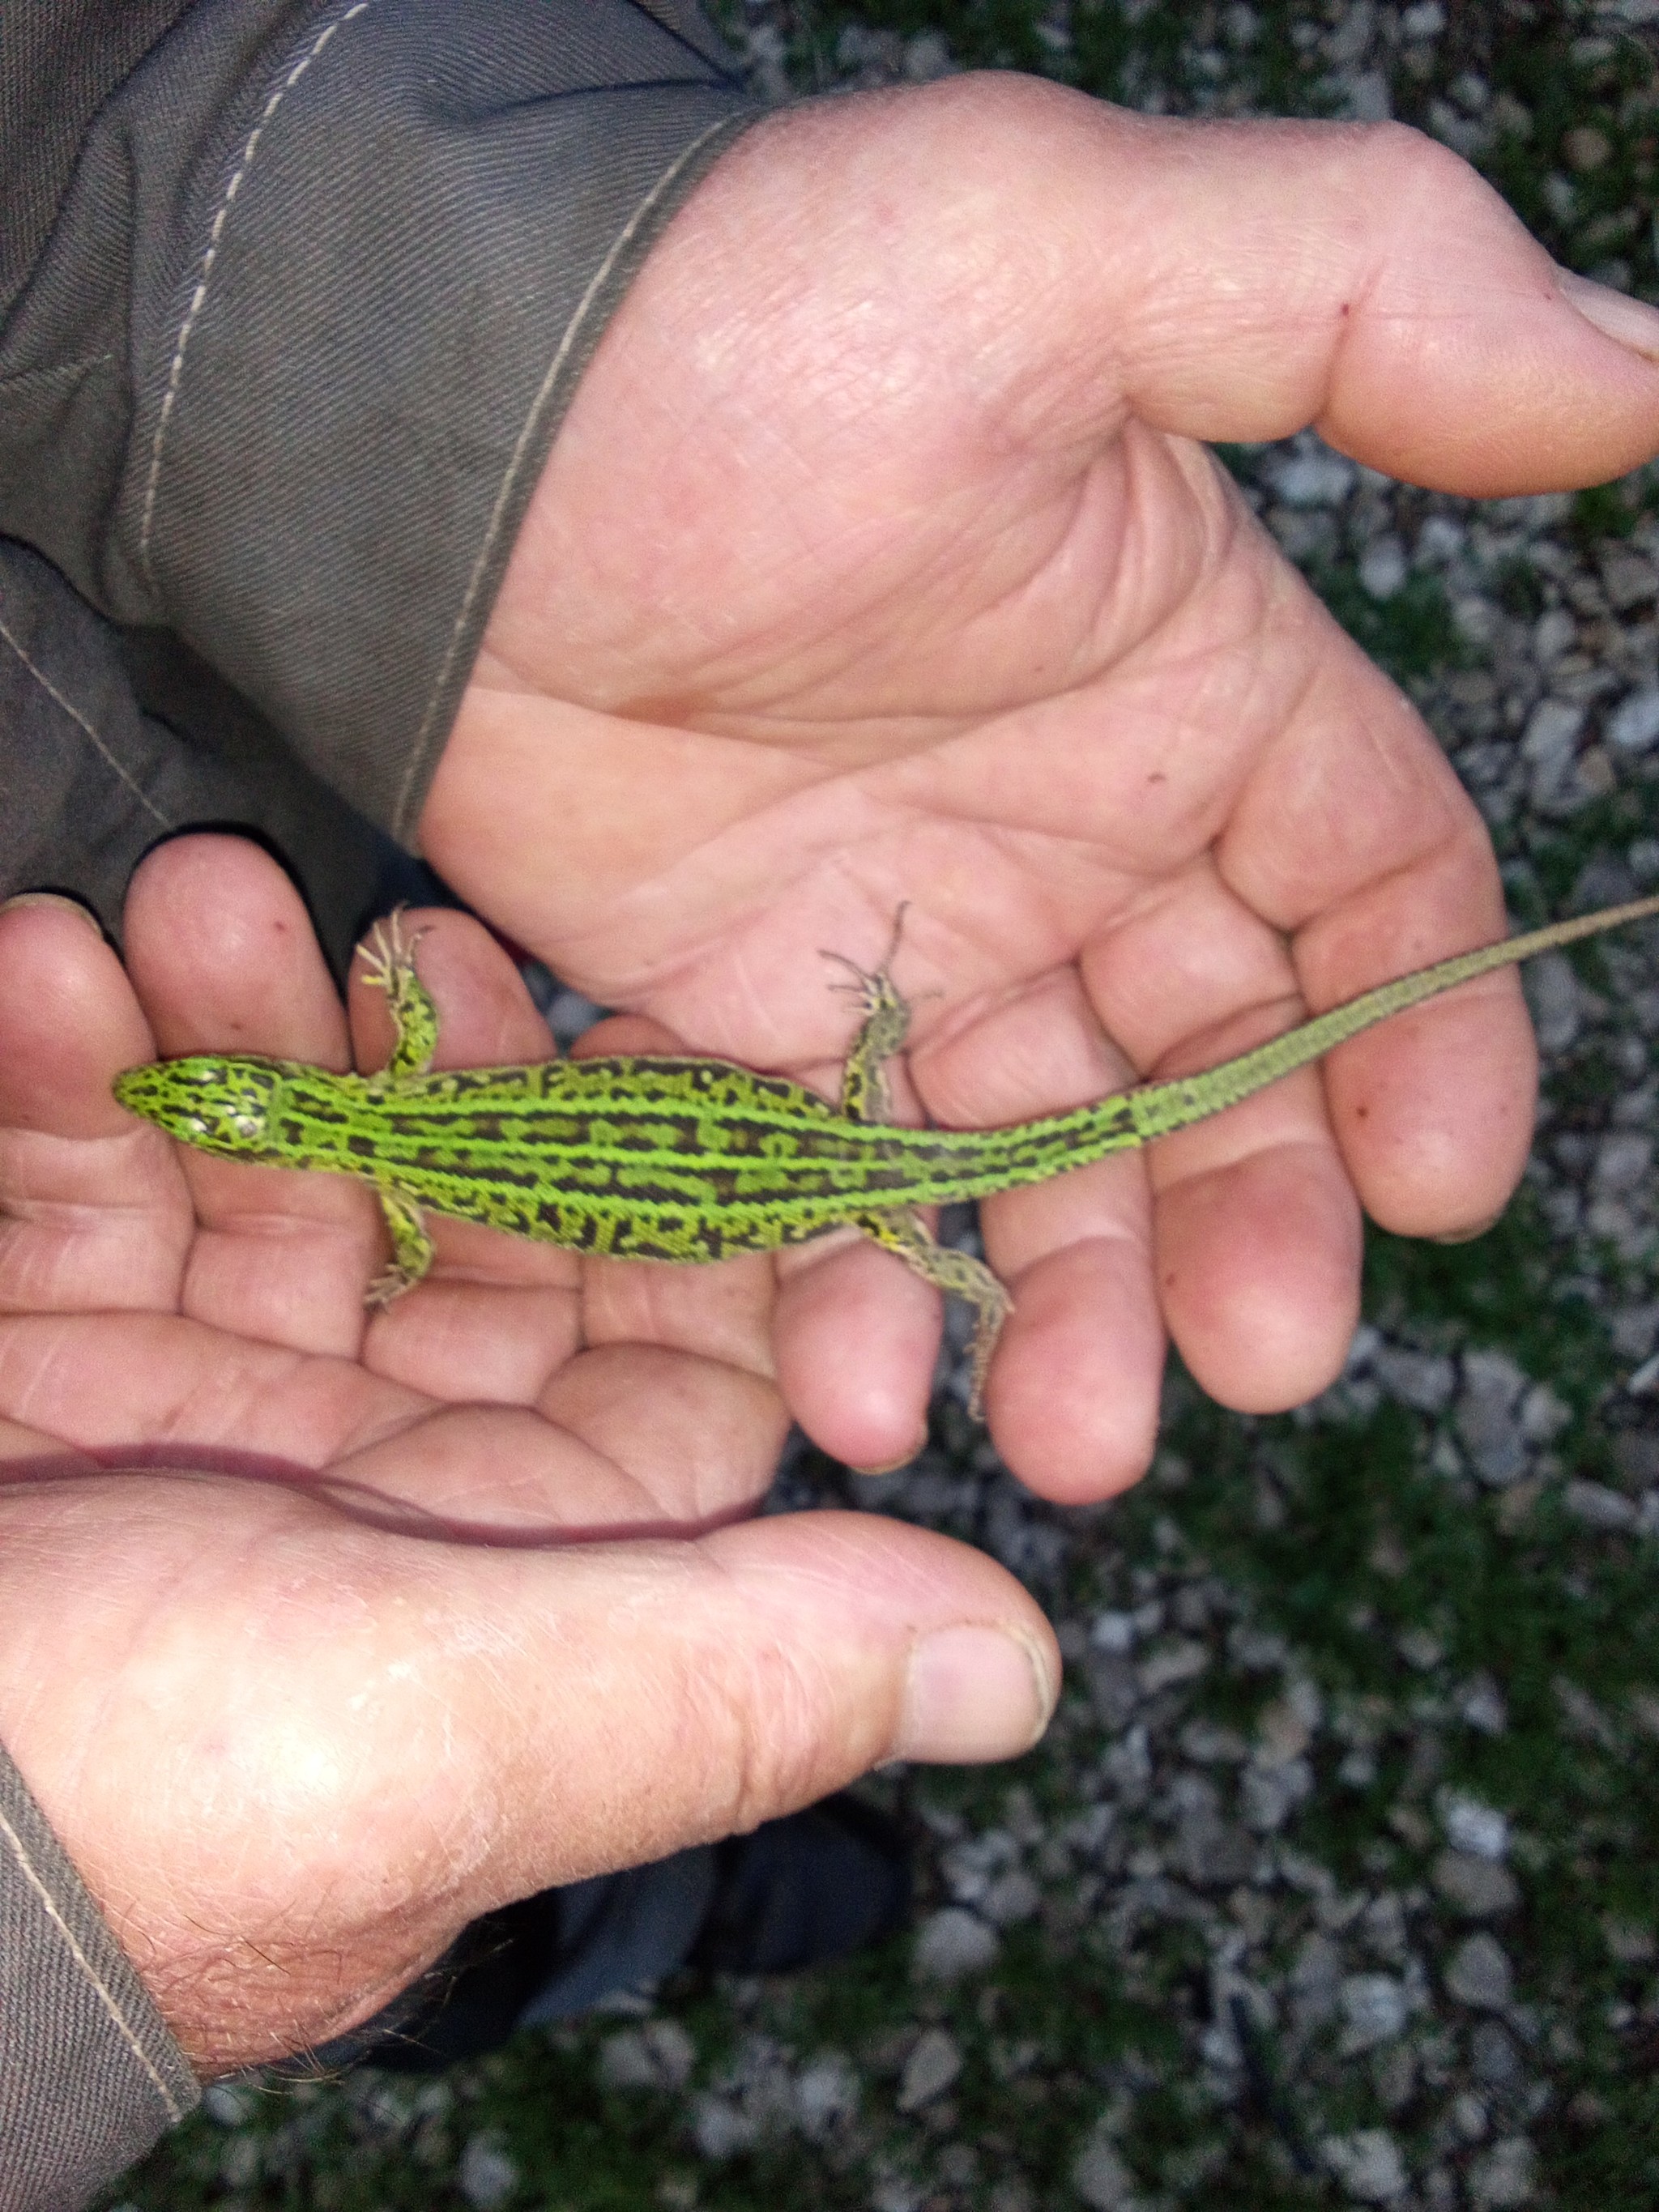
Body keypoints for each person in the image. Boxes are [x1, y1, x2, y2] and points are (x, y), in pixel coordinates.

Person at [5, 2, 1659, 2202]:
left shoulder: (389, 1166)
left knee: (868, 1208)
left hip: (826, 1159)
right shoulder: (382, 1110)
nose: (229, 1098)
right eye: (228, 1098)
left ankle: (682, 1897)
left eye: (225, 1098)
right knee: (852, 1202)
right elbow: (411, 1101)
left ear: (270, 1118)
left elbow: (409, 1183)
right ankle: (696, 1870)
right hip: (825, 1146)